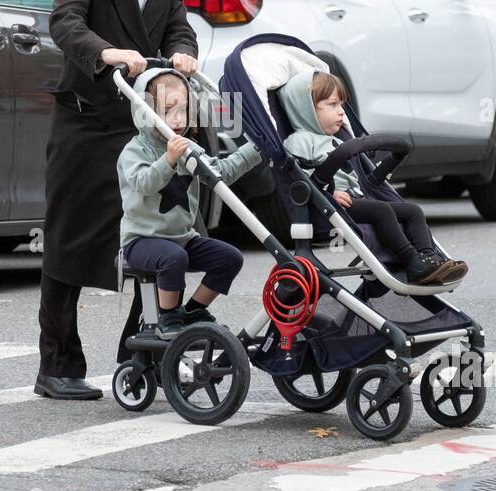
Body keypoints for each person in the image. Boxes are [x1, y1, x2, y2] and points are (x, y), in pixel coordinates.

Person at [35, 0, 202, 400]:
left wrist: (182, 55)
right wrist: (106, 53)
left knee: (155, 236)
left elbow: (179, 28)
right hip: (84, 123)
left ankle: (141, 354)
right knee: (68, 242)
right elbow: (64, 21)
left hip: (141, 127)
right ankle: (57, 365)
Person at [279, 69, 468, 286]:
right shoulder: (299, 141)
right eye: (332, 105)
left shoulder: (337, 140)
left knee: (413, 211)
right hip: (329, 206)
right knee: (382, 210)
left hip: (356, 199)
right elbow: (300, 179)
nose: (341, 112)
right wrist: (328, 193)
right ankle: (412, 261)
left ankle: (430, 258)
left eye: (341, 105)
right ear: (306, 110)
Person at [117, 69, 262, 339]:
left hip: (182, 238)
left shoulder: (188, 147)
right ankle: (168, 317)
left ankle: (193, 311)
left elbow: (222, 173)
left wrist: (255, 150)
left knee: (229, 258)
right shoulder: (135, 150)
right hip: (141, 240)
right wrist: (168, 160)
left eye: (183, 110)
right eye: (168, 110)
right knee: (174, 258)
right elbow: (144, 183)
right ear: (144, 112)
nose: (177, 119)